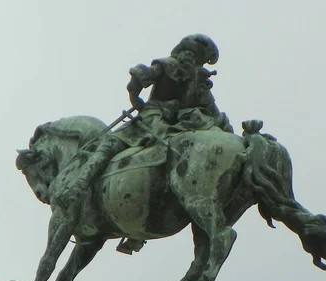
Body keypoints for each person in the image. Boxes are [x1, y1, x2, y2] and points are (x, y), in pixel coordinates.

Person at [53, 34, 233, 218]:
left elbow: (137, 81)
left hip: (152, 119)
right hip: (182, 125)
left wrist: (136, 99)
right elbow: (214, 113)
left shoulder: (167, 65)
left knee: (108, 144)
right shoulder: (201, 82)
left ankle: (78, 187)